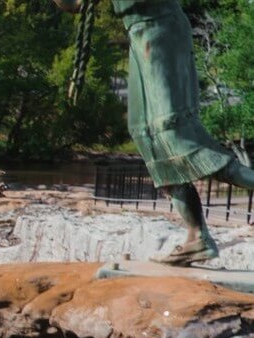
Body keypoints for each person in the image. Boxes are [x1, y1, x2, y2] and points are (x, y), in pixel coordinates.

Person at [53, 0, 254, 266]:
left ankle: (200, 236)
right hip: (140, 34)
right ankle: (197, 238)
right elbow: (74, 5)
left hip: (160, 29)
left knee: (174, 135)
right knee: (146, 135)